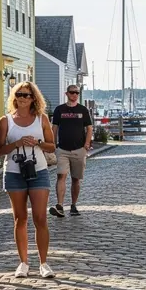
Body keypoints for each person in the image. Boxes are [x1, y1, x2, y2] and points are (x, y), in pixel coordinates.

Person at [0, 80, 56, 278]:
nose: (22, 98)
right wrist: (16, 144)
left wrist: (37, 143)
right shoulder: (6, 120)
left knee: (40, 217)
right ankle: (23, 262)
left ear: (33, 99)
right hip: (14, 172)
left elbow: (52, 146)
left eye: (26, 95)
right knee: (20, 218)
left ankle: (44, 263)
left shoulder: (42, 119)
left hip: (38, 171)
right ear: (14, 97)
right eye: (19, 94)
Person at [50, 85, 93, 217]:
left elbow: (89, 128)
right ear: (66, 93)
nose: (74, 95)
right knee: (61, 175)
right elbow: (54, 128)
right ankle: (60, 206)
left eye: (76, 93)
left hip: (79, 149)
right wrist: (53, 143)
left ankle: (73, 205)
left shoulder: (83, 110)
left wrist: (86, 144)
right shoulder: (59, 110)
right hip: (62, 149)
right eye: (72, 92)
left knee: (76, 179)